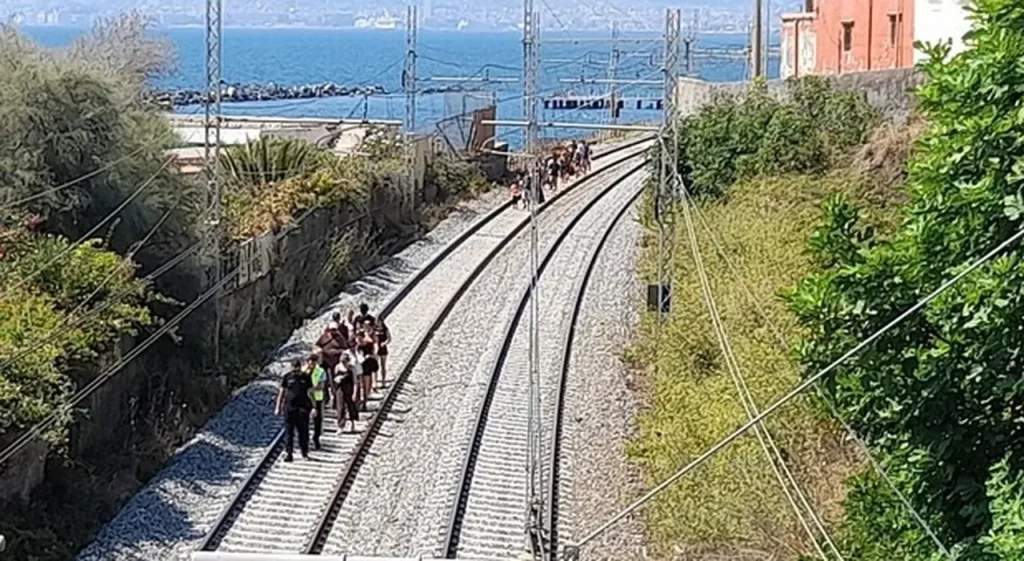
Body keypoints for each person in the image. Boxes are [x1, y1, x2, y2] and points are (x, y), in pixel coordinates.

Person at [275, 359, 314, 462]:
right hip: (289, 408)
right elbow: (282, 392)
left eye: (297, 367)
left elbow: (310, 392)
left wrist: (314, 407)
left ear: (300, 367)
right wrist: (278, 407)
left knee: (303, 432)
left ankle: (304, 453)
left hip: (303, 408)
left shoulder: (305, 377)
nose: (295, 370)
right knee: (289, 432)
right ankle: (289, 454)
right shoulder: (287, 377)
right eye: (294, 368)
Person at [316, 321, 348, 408]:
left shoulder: (340, 338)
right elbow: (317, 345)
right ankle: (326, 399)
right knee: (324, 381)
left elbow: (345, 348)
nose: (333, 331)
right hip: (325, 362)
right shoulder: (324, 337)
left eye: (335, 330)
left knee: (334, 382)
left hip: (335, 363)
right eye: (331, 330)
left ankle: (336, 400)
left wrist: (337, 352)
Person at [306, 352, 327, 450]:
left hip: (317, 398)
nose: (312, 364)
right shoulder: (303, 371)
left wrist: (311, 389)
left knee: (317, 421)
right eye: (310, 362)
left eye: (314, 362)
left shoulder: (321, 371)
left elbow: (321, 386)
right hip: (306, 399)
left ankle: (316, 438)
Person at [333, 352, 358, 433]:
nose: (344, 363)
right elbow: (334, 378)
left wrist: (355, 393)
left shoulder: (352, 369)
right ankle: (340, 425)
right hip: (340, 390)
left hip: (349, 389)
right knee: (340, 407)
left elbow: (355, 382)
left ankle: (352, 423)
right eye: (342, 362)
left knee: (351, 406)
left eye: (345, 362)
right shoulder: (337, 367)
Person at [356, 322, 379, 401]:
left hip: (367, 365)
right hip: (359, 365)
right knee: (360, 382)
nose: (359, 340)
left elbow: (373, 351)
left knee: (367, 379)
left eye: (360, 338)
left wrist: (370, 356)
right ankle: (362, 395)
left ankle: (367, 394)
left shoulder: (368, 344)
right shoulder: (357, 346)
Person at [374, 316, 391, 389]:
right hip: (376, 349)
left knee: (383, 366)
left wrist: (384, 343)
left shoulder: (385, 329)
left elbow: (389, 338)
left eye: (379, 321)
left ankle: (383, 381)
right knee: (375, 366)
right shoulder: (374, 329)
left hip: (383, 349)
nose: (378, 323)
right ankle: (375, 381)